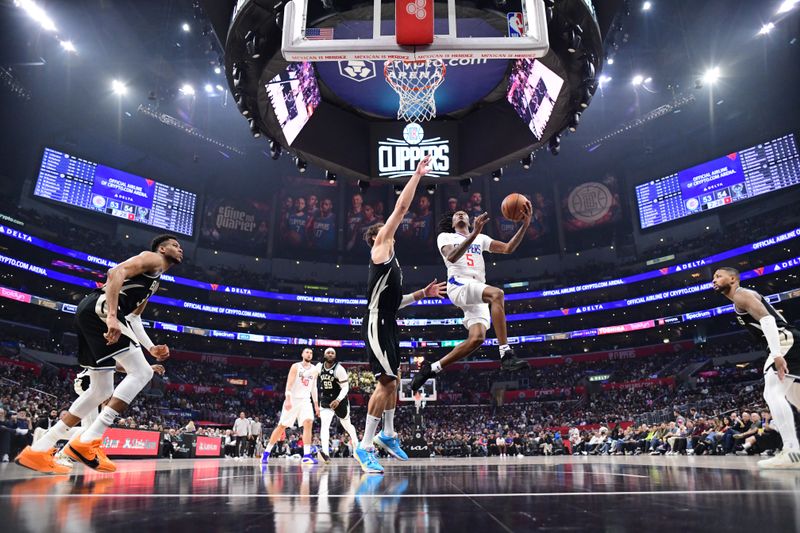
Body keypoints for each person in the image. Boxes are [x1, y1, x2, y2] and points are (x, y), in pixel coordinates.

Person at [15, 234, 179, 474]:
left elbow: (134, 317)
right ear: (162, 249)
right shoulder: (152, 258)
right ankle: (88, 441)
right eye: (175, 245)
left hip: (91, 312)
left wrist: (150, 347)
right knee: (142, 372)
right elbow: (115, 273)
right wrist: (112, 316)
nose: (180, 249)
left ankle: (39, 450)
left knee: (100, 390)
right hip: (102, 309)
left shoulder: (154, 281)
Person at [356, 155, 446, 474]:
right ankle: (364, 446)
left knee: (393, 383)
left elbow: (396, 303)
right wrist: (417, 174)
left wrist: (423, 294)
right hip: (376, 323)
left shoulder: (392, 262)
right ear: (378, 235)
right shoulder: (380, 246)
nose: (393, 227)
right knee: (385, 383)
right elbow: (402, 209)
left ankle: (388, 434)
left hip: (389, 320)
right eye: (388, 227)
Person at [410, 207, 531, 392]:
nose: (459, 215)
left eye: (463, 214)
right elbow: (452, 257)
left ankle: (432, 368)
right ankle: (506, 353)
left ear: (468, 220)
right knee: (497, 294)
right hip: (458, 284)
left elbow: (508, 248)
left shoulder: (481, 238)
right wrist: (474, 233)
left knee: (477, 338)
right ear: (452, 223)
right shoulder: (445, 237)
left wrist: (525, 225)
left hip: (476, 289)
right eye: (456, 214)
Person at [712, 266, 800, 468]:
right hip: (789, 339)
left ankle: (792, 450)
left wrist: (776, 353)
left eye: (718, 276)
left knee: (772, 393)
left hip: (783, 341)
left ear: (733, 278)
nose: (714, 280)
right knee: (796, 400)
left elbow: (768, 319)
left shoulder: (742, 294)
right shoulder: (742, 298)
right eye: (713, 278)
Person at [261, 347, 321, 465]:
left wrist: (316, 405)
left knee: (308, 422)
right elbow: (289, 384)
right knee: (282, 426)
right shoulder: (296, 366)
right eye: (307, 352)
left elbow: (314, 388)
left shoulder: (314, 369)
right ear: (302, 354)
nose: (309, 354)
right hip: (293, 399)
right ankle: (266, 452)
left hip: (305, 400)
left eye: (311, 353)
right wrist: (288, 399)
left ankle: (307, 455)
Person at [314, 348, 360, 463]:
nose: (330, 354)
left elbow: (345, 387)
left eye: (332, 353)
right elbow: (311, 379)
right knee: (324, 426)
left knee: (347, 425)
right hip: (325, 399)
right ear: (324, 355)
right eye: (328, 353)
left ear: (335, 356)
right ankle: (325, 453)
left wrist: (338, 400)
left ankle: (357, 446)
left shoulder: (339, 369)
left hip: (340, 399)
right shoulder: (319, 367)